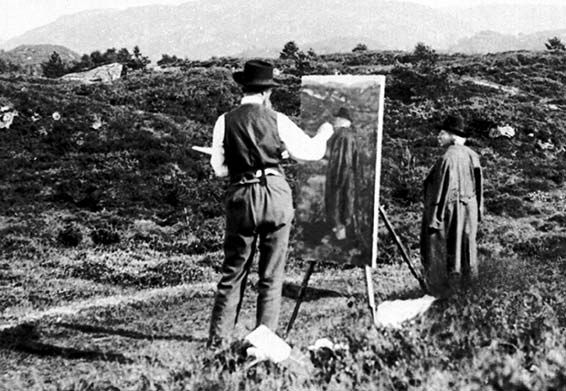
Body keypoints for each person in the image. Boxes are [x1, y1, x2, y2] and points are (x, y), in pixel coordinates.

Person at [208, 59, 334, 346]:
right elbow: (311, 153)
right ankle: (263, 344)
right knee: (271, 275)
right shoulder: (277, 120)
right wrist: (325, 134)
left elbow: (219, 169)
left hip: (241, 195)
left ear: (244, 88)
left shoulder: (224, 121)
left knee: (233, 273)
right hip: (275, 194)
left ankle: (218, 346)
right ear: (266, 92)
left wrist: (244, 165)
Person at [420, 114, 483, 296]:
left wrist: (433, 220)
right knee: (466, 252)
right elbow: (479, 189)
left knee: (446, 251)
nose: (438, 137)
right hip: (469, 212)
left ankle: (445, 293)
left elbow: (439, 193)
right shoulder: (473, 156)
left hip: (449, 212)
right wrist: (477, 211)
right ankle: (470, 292)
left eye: (442, 133)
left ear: (453, 136)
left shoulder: (447, 158)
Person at [324, 107, 361, 243]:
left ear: (342, 120)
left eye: (336, 118)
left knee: (339, 205)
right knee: (343, 206)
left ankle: (340, 240)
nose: (334, 121)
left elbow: (343, 161)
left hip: (341, 178)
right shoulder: (348, 135)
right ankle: (340, 236)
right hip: (345, 177)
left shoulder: (343, 135)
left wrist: (337, 181)